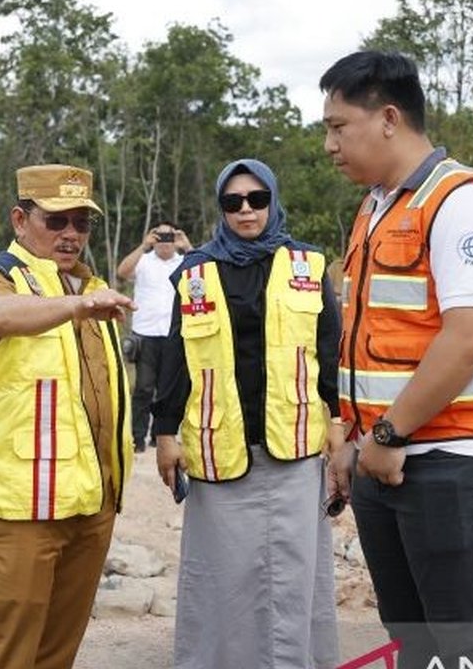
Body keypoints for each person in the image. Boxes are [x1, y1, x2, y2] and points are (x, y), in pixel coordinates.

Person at [320, 51, 473, 668]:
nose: (329, 144)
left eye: (337, 126)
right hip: (384, 456)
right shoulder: (377, 206)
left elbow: (467, 337)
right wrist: (353, 438)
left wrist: (387, 432)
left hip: (452, 460)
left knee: (468, 643)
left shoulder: (461, 200)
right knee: (415, 640)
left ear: (387, 118)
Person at [152, 158, 342, 669]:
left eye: (256, 199)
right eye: (233, 202)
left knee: (294, 570)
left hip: (295, 446)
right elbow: (176, 359)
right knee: (223, 574)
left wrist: (340, 423)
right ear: (220, 208)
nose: (245, 210)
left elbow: (331, 351)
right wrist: (165, 433)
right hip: (220, 447)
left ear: (273, 201)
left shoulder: (308, 265)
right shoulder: (194, 272)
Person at [0, 164, 135, 669]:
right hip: (20, 506)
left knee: (58, 654)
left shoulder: (90, 286)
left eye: (81, 223)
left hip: (90, 502)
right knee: (12, 654)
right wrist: (76, 304)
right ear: (20, 219)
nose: (71, 234)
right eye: (56, 221)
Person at [115, 220, 191, 453]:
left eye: (170, 236)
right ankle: (138, 438)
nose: (165, 242)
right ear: (153, 238)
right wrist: (143, 246)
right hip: (145, 334)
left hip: (173, 333)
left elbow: (207, 273)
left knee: (168, 388)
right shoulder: (144, 261)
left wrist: (187, 247)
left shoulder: (184, 262)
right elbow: (121, 273)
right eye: (160, 236)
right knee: (144, 388)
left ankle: (161, 436)